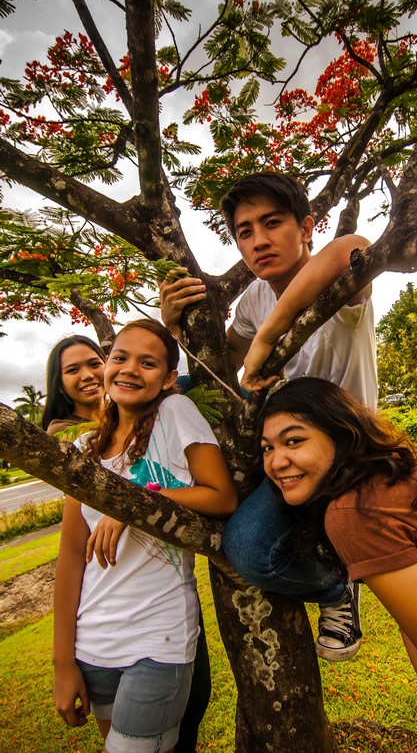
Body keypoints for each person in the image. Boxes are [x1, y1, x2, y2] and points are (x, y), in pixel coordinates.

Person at [160, 171, 377, 661]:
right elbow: (216, 370)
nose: (258, 241)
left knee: (251, 551)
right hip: (281, 438)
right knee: (185, 390)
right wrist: (172, 328)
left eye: (272, 223)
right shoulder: (254, 298)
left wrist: (267, 335)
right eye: (245, 231)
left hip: (343, 448)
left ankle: (336, 584)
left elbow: (354, 246)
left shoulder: (339, 284)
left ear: (306, 228)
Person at [258, 376, 417, 753]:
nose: (276, 461)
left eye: (294, 441)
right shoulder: (377, 487)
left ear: (341, 436)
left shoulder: (354, 511)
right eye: (267, 448)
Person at [53, 319, 237, 753]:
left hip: (159, 637)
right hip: (92, 640)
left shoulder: (175, 413)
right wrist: (63, 662)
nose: (130, 369)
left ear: (169, 378)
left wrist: (133, 505)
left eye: (148, 363)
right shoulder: (84, 450)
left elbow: (222, 496)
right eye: (120, 357)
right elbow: (71, 556)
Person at [42, 335, 106, 435]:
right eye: (72, 370)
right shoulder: (64, 431)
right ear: (59, 385)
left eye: (94, 364)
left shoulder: (124, 416)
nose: (87, 376)